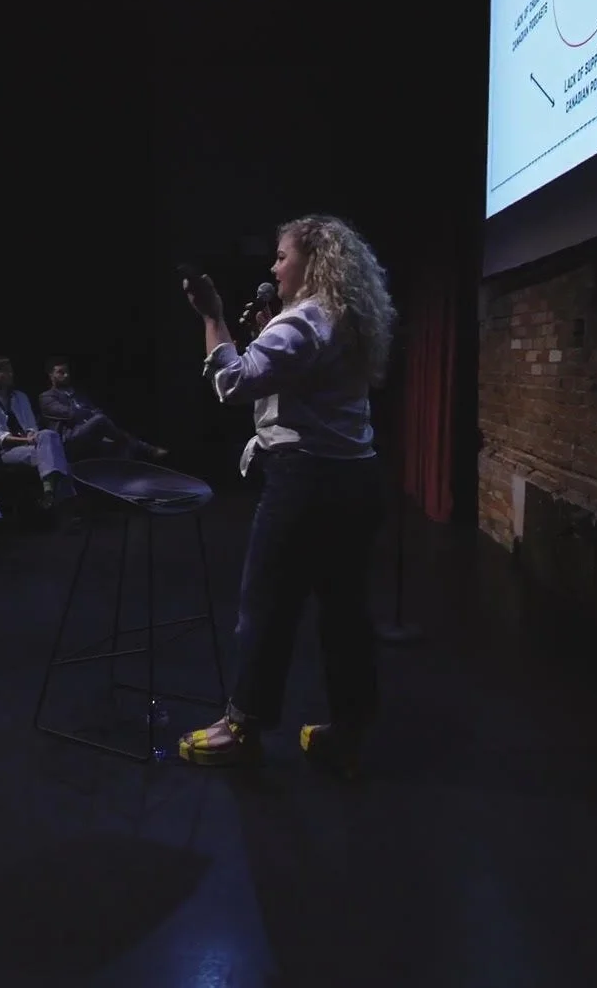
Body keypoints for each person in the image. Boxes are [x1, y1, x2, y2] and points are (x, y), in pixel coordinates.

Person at [175, 215, 397, 774]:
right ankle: (349, 728)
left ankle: (242, 727)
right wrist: (271, 330)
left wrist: (213, 318)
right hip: (357, 479)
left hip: (307, 483)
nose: (273, 267)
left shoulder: (302, 323)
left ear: (312, 261)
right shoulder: (342, 316)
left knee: (265, 608)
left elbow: (232, 383)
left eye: (281, 256)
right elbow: (304, 376)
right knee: (344, 613)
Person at [0, 356, 73, 510]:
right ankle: (66, 502)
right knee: (54, 453)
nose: (10, 374)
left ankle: (49, 495)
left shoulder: (20, 397)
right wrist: (26, 440)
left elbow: (31, 427)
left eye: (11, 370)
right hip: (5, 451)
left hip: (30, 443)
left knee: (48, 435)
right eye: (5, 371)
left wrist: (32, 436)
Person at [38, 356, 166, 461]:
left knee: (122, 445)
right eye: (61, 372)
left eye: (67, 372)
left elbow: (94, 409)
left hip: (90, 434)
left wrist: (90, 413)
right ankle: (146, 448)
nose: (66, 375)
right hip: (69, 439)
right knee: (100, 419)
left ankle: (124, 479)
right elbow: (70, 413)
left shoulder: (78, 393)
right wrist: (89, 413)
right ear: (51, 375)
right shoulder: (47, 397)